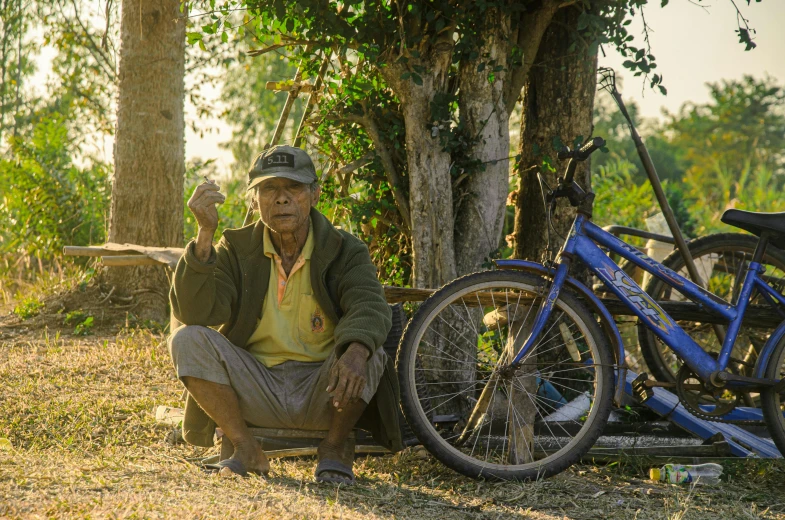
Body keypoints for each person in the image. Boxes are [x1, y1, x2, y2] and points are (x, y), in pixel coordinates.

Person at [168, 145, 402, 484]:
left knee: (368, 351)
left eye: (293, 187)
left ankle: (334, 448)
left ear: (314, 194)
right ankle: (245, 447)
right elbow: (195, 312)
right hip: (256, 387)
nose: (281, 199)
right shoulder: (237, 248)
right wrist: (205, 235)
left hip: (326, 392)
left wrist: (355, 351)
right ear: (254, 200)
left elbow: (370, 305)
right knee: (187, 339)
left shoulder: (344, 249)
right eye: (268, 189)